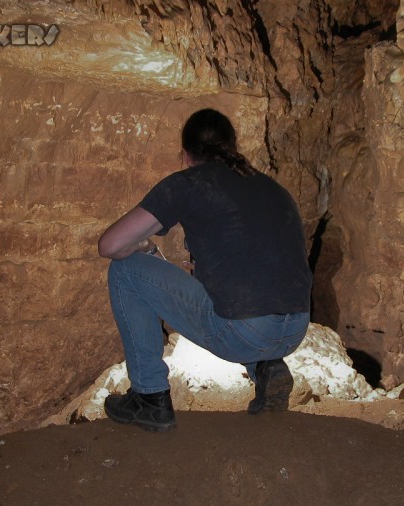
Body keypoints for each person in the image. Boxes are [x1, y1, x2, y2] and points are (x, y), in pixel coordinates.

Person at [97, 108, 312, 432]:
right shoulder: (271, 187)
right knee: (241, 299)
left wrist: (141, 247)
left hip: (246, 331)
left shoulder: (187, 184)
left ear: (185, 156)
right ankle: (266, 368)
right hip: (295, 329)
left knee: (124, 271)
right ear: (232, 147)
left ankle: (149, 397)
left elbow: (109, 245)